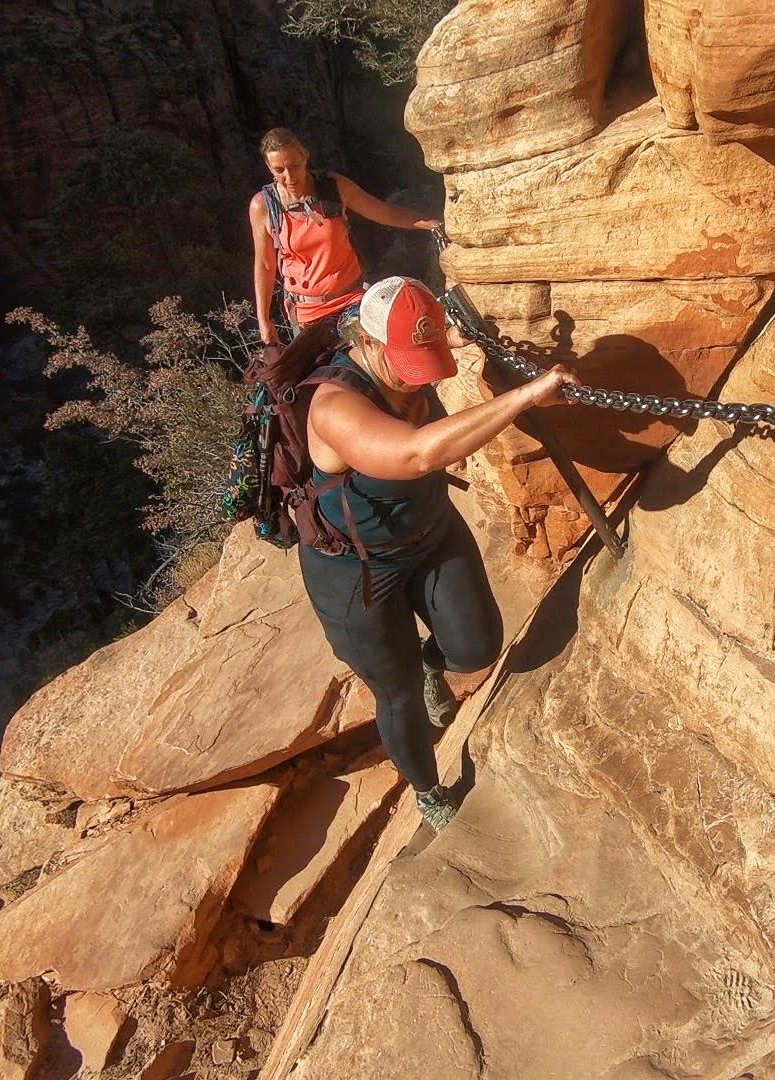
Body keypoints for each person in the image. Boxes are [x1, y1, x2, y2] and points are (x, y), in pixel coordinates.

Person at [302, 276, 579, 832]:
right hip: (356, 569)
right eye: (407, 360)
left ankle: (434, 664)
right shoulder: (334, 406)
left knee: (478, 644)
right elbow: (416, 453)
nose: (419, 375)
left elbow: (438, 338)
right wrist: (523, 396)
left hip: (429, 529)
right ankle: (428, 792)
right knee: (396, 693)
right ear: (371, 345)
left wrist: (460, 339)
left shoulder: (410, 346)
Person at [249, 127, 440, 345]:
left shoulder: (332, 188)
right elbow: (265, 265)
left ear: (305, 157)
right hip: (306, 313)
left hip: (352, 299)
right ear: (269, 167)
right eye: (279, 169)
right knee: (328, 375)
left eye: (294, 166)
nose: (289, 177)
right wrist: (263, 319)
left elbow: (382, 212)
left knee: (377, 359)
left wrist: (431, 224)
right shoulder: (263, 206)